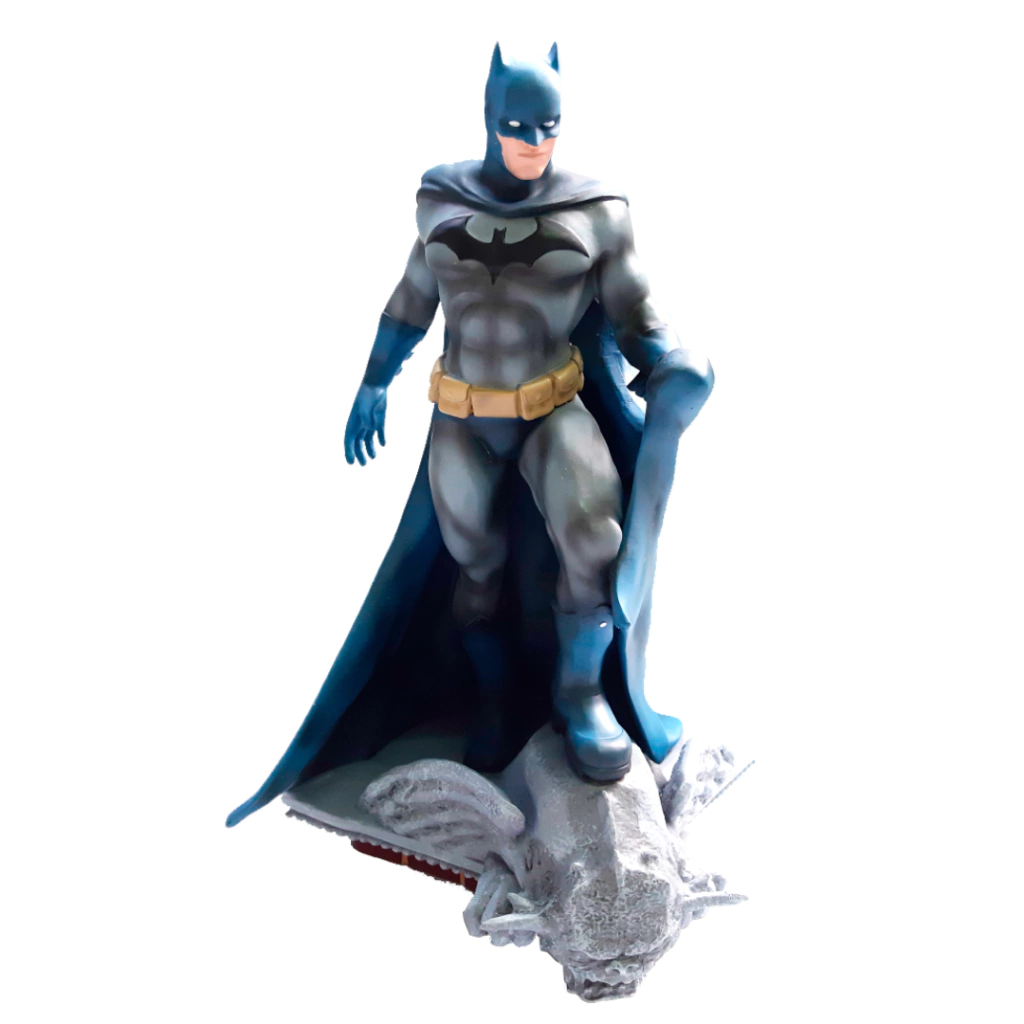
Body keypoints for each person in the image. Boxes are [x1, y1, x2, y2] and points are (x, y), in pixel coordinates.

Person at [227, 43, 713, 827]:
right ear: (490, 118)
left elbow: (638, 313)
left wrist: (674, 362)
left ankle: (580, 696)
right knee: (474, 562)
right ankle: (491, 698)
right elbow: (412, 297)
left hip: (553, 409)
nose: (533, 142)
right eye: (518, 126)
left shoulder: (597, 212)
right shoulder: (441, 201)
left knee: (594, 539)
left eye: (548, 127)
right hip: (462, 416)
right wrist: (374, 381)